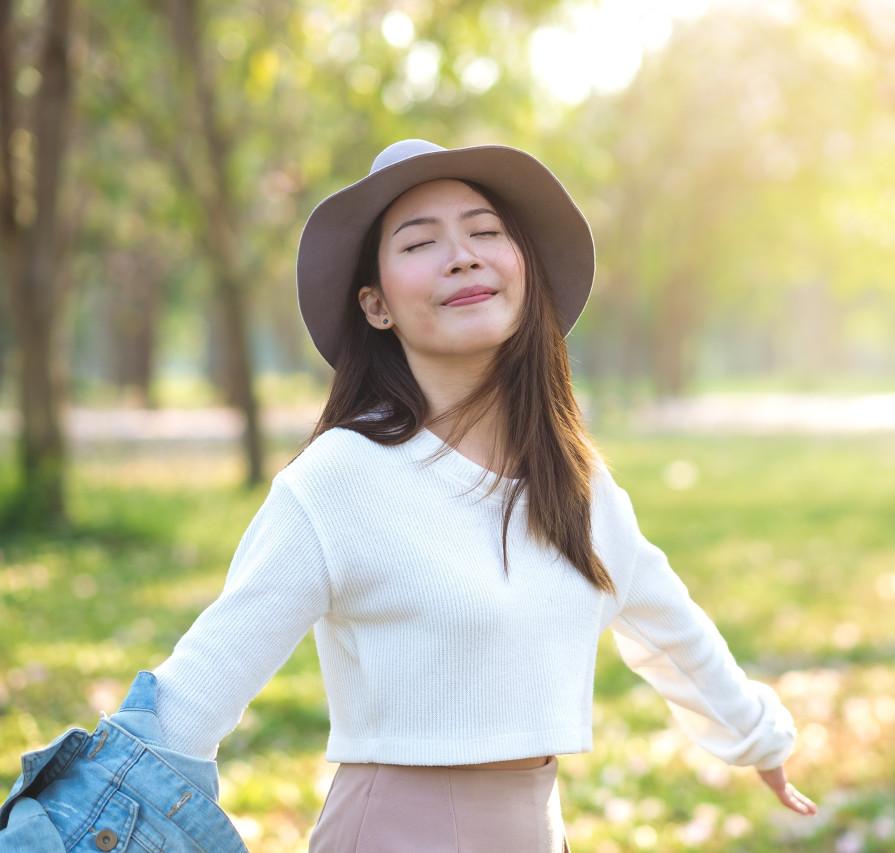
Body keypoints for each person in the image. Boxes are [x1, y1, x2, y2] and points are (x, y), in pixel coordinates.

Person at [150, 138, 817, 852]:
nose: (462, 255)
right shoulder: (338, 480)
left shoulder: (573, 480)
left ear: (522, 268)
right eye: (419, 242)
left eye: (485, 231)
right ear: (375, 305)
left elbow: (669, 627)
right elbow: (195, 694)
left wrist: (758, 736)